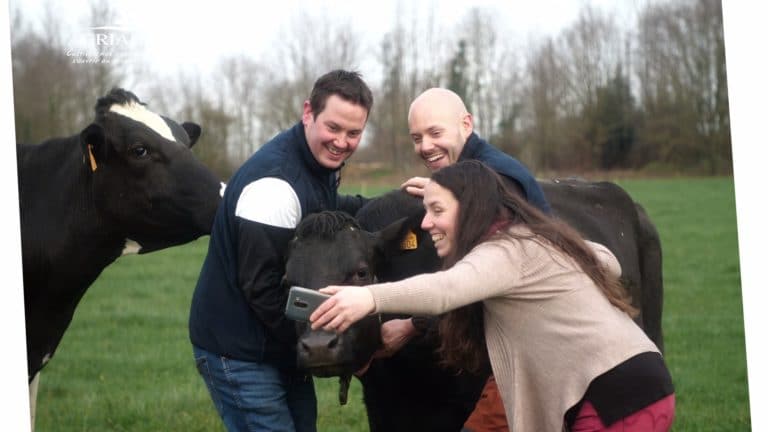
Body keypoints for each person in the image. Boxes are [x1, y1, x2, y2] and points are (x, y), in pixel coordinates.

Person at [310, 160, 675, 432]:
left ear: (469, 211)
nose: (425, 223)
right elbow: (607, 261)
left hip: (616, 400)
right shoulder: (533, 237)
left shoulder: (503, 252)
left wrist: (367, 299)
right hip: (642, 383)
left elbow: (446, 290)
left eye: (438, 211)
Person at [188, 70, 373, 432]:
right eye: (333, 128)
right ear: (308, 113)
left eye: (354, 133)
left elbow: (328, 207)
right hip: (239, 349)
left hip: (276, 342)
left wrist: (400, 205)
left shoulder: (316, 164)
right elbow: (262, 289)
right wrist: (324, 342)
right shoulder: (274, 188)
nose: (342, 142)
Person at [384, 87, 551, 431]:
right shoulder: (471, 176)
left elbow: (479, 277)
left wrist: (412, 325)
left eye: (435, 132)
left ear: (466, 124)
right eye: (417, 138)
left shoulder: (497, 182)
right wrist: (439, 191)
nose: (425, 146)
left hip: (532, 346)